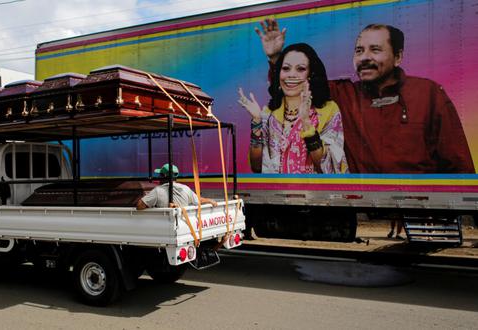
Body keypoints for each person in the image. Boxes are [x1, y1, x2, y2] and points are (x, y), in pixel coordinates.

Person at [256, 19, 475, 173]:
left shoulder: (428, 94)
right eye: (359, 51)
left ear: (398, 57)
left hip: (420, 206)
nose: (364, 58)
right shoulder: (345, 95)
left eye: (375, 50)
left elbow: (457, 159)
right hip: (367, 199)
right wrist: (276, 59)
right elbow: (296, 85)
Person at [238, 43, 347, 174]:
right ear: (279, 74)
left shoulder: (328, 110)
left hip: (315, 194)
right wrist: (256, 122)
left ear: (310, 75)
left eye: (300, 69)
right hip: (275, 193)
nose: (291, 75)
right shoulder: (268, 113)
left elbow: (331, 169)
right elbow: (257, 167)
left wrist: (306, 123)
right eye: (286, 68)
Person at [136, 163, 218, 209]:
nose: (158, 177)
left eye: (160, 174)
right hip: (184, 227)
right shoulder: (186, 189)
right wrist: (209, 200)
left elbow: (139, 206)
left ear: (163, 176)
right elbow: (198, 200)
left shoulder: (158, 190)